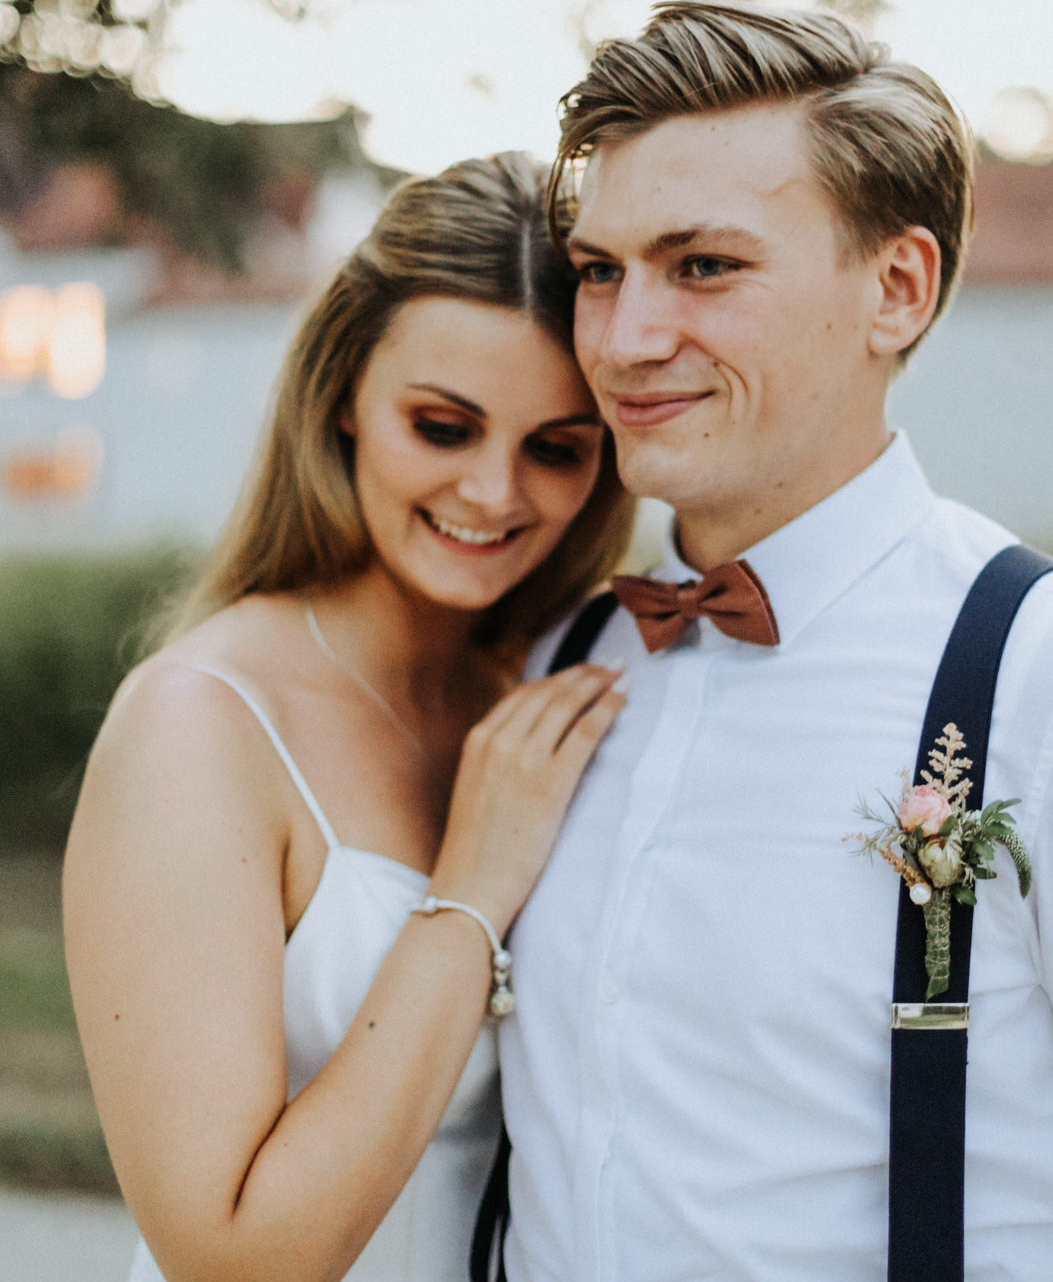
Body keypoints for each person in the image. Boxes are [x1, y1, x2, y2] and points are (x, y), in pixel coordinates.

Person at [493, 0, 1053, 1280]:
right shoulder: (562, 660)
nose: (625, 339)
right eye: (600, 271)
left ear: (896, 287)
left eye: (701, 267)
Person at [62, 152, 635, 1282]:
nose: (494, 492)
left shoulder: (557, 694)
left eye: (555, 448)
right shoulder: (199, 723)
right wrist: (471, 888)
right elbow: (230, 1261)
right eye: (443, 426)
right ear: (342, 398)